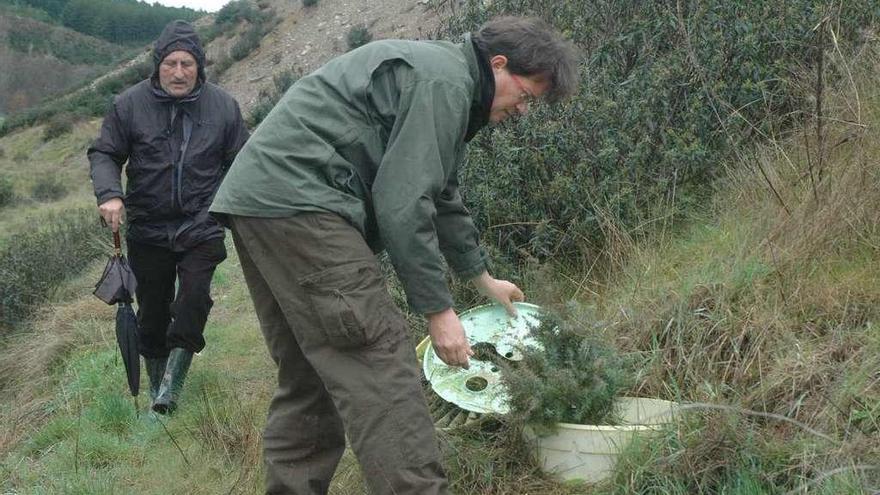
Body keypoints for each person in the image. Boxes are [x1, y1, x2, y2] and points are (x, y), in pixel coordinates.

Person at [210, 15, 578, 494]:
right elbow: (403, 204)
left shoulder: (447, 80)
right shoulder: (444, 82)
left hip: (262, 204)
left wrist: (479, 276)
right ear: (499, 64)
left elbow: (439, 193)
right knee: (378, 365)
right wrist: (439, 311)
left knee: (311, 376)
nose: (523, 110)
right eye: (525, 95)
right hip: (305, 205)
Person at [88, 19, 249, 415]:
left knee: (194, 299)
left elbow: (243, 162)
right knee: (153, 311)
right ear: (158, 64)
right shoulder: (128, 105)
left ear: (199, 67)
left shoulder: (223, 106)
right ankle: (155, 384)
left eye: (187, 64)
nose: (179, 72)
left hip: (202, 223)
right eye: (171, 63)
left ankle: (169, 390)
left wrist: (228, 206)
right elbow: (105, 153)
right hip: (148, 225)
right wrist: (110, 194)